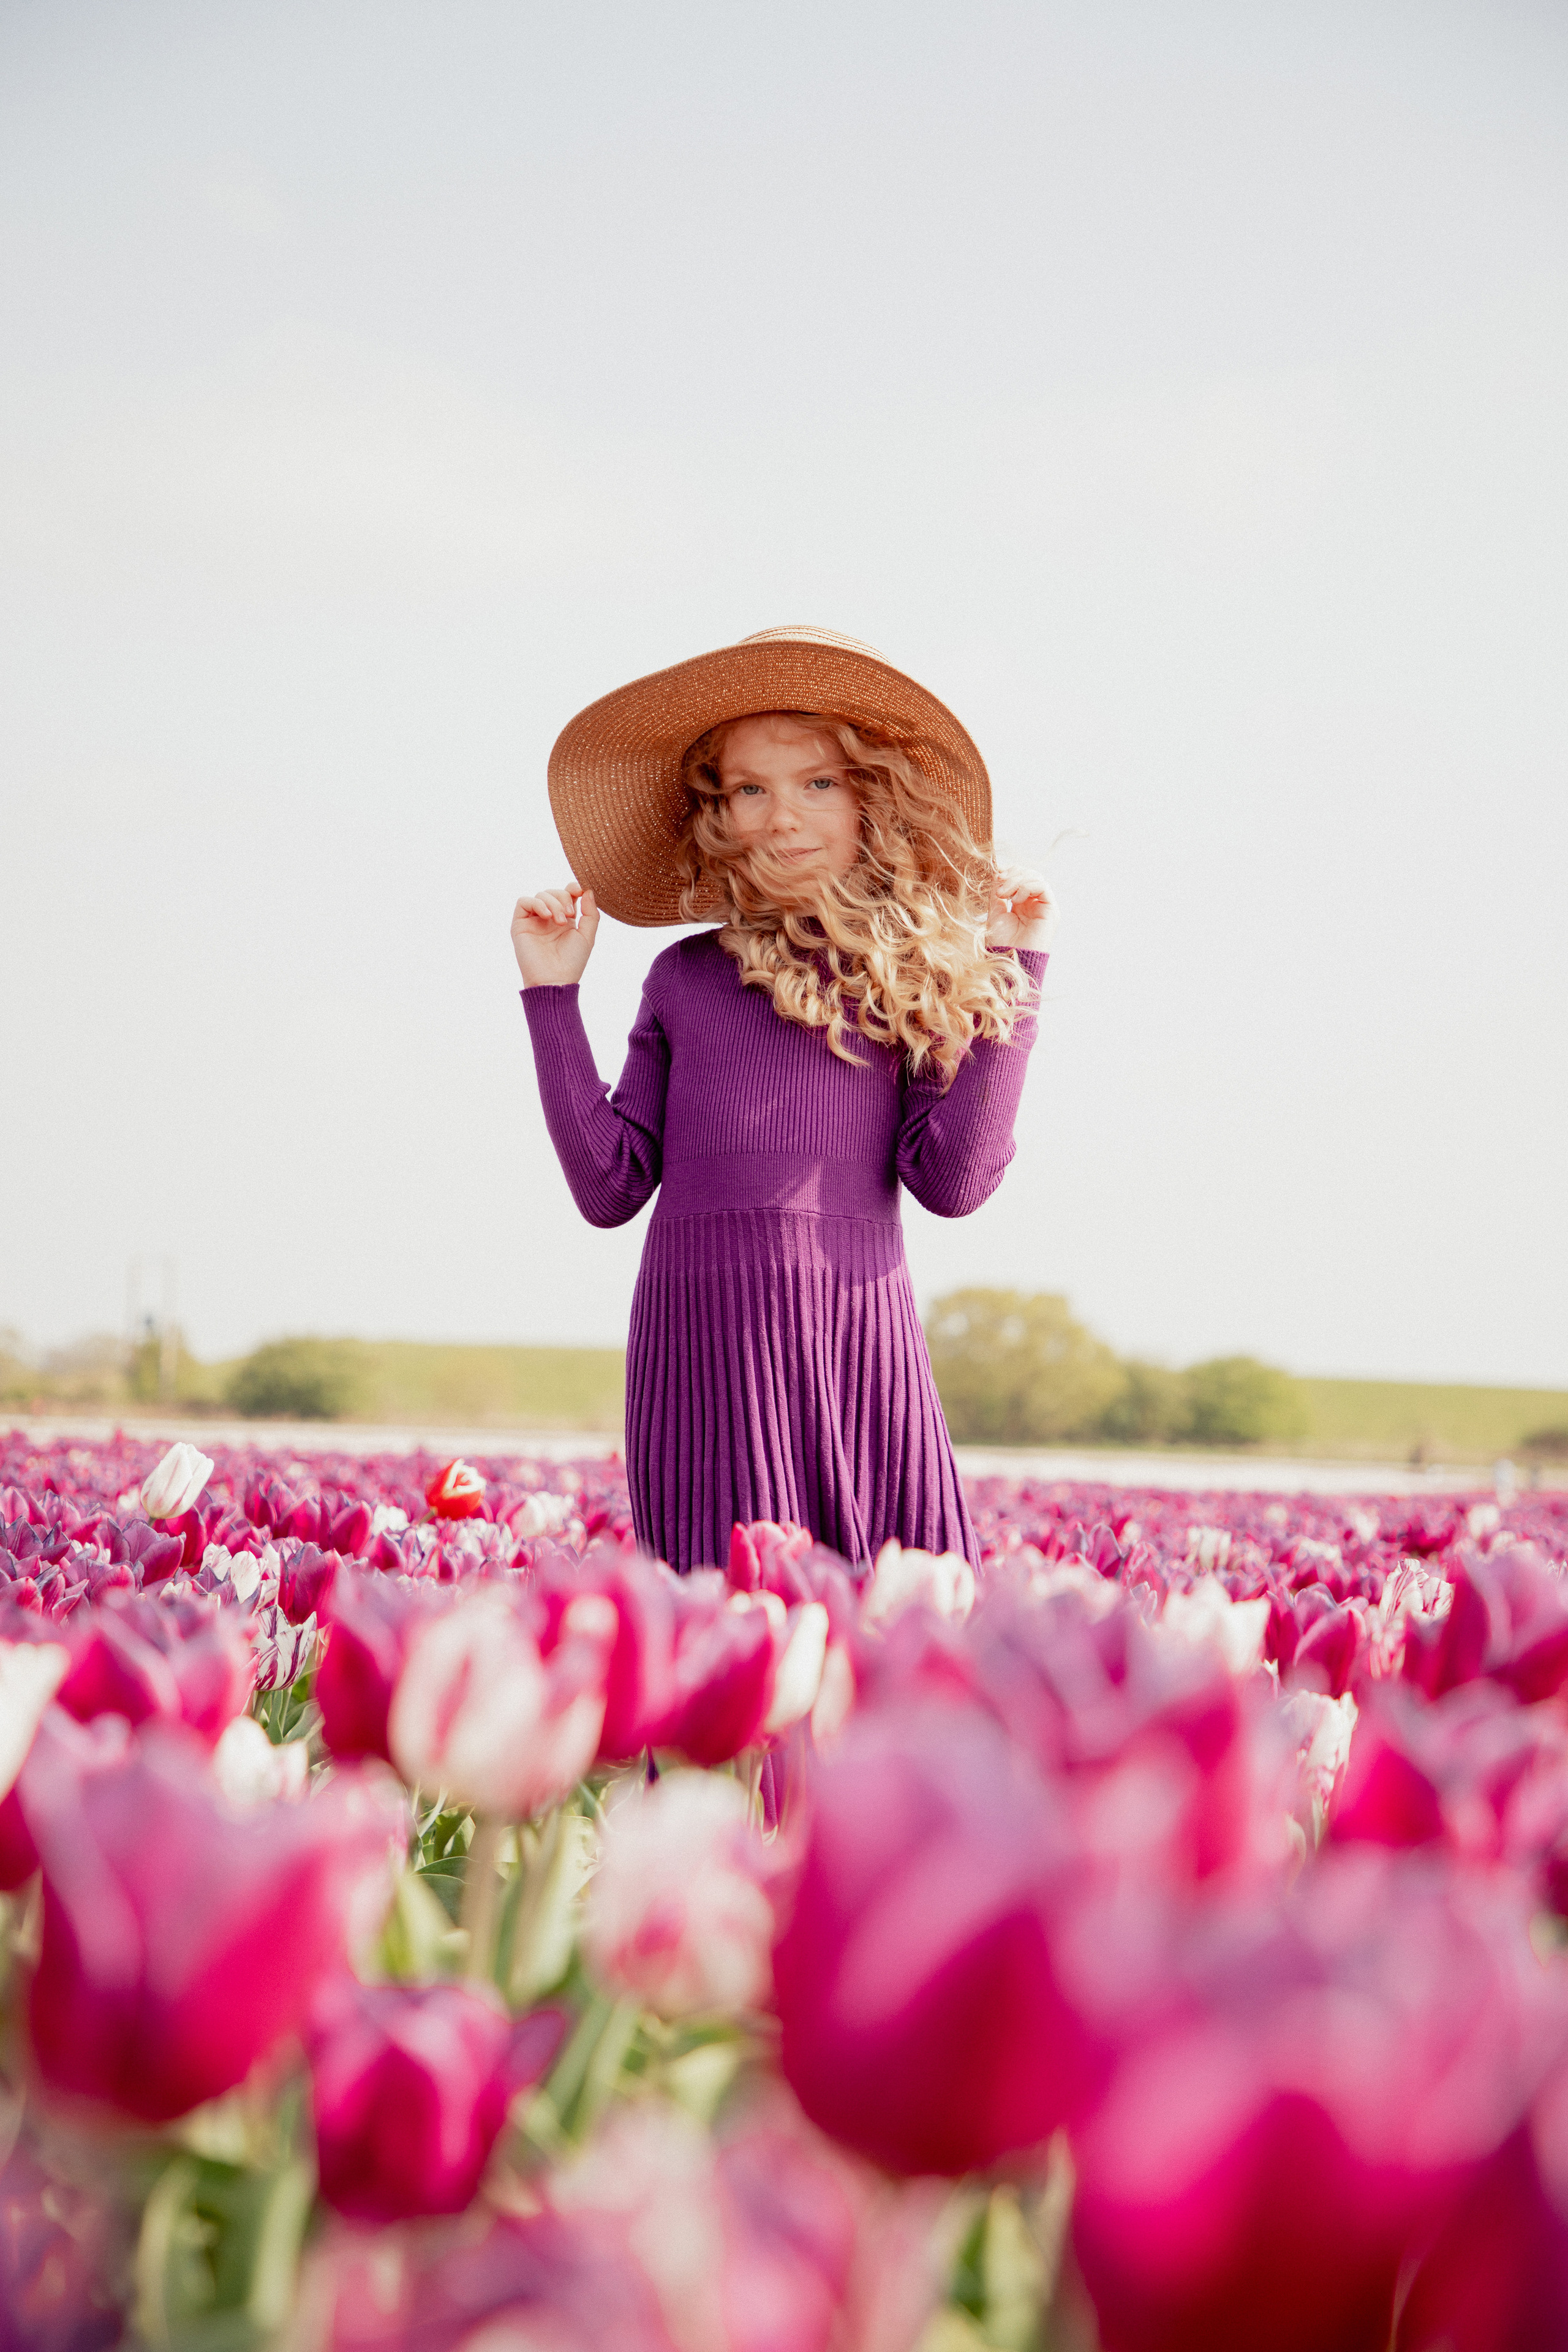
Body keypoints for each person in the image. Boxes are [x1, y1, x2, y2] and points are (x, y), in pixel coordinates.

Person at [511, 625, 1055, 1573]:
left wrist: (1016, 968)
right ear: (717, 812)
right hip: (702, 1361)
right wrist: (552, 994)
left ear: (871, 798)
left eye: (818, 783)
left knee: (892, 1629)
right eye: (750, 790)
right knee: (727, 1631)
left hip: (857, 1349)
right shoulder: (682, 979)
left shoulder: (913, 978)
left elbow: (956, 1182)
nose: (782, 818)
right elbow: (609, 1186)